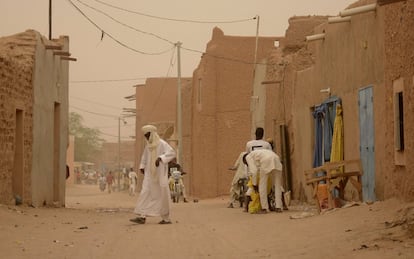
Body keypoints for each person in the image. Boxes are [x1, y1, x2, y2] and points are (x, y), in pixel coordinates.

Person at [130, 125, 176, 225]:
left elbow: (172, 153)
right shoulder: (148, 146)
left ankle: (166, 218)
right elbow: (144, 157)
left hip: (160, 174)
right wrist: (142, 166)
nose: (146, 138)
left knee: (162, 195)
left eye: (147, 135)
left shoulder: (162, 144)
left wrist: (161, 158)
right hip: (149, 174)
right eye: (145, 136)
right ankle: (142, 216)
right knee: (145, 192)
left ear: (152, 134)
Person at [244, 148, 283, 213]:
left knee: (262, 185)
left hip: (266, 160)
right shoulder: (258, 153)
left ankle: (265, 208)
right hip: (276, 158)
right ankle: (278, 207)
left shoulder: (248, 157)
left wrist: (254, 184)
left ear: (245, 160)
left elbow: (254, 171)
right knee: (277, 185)